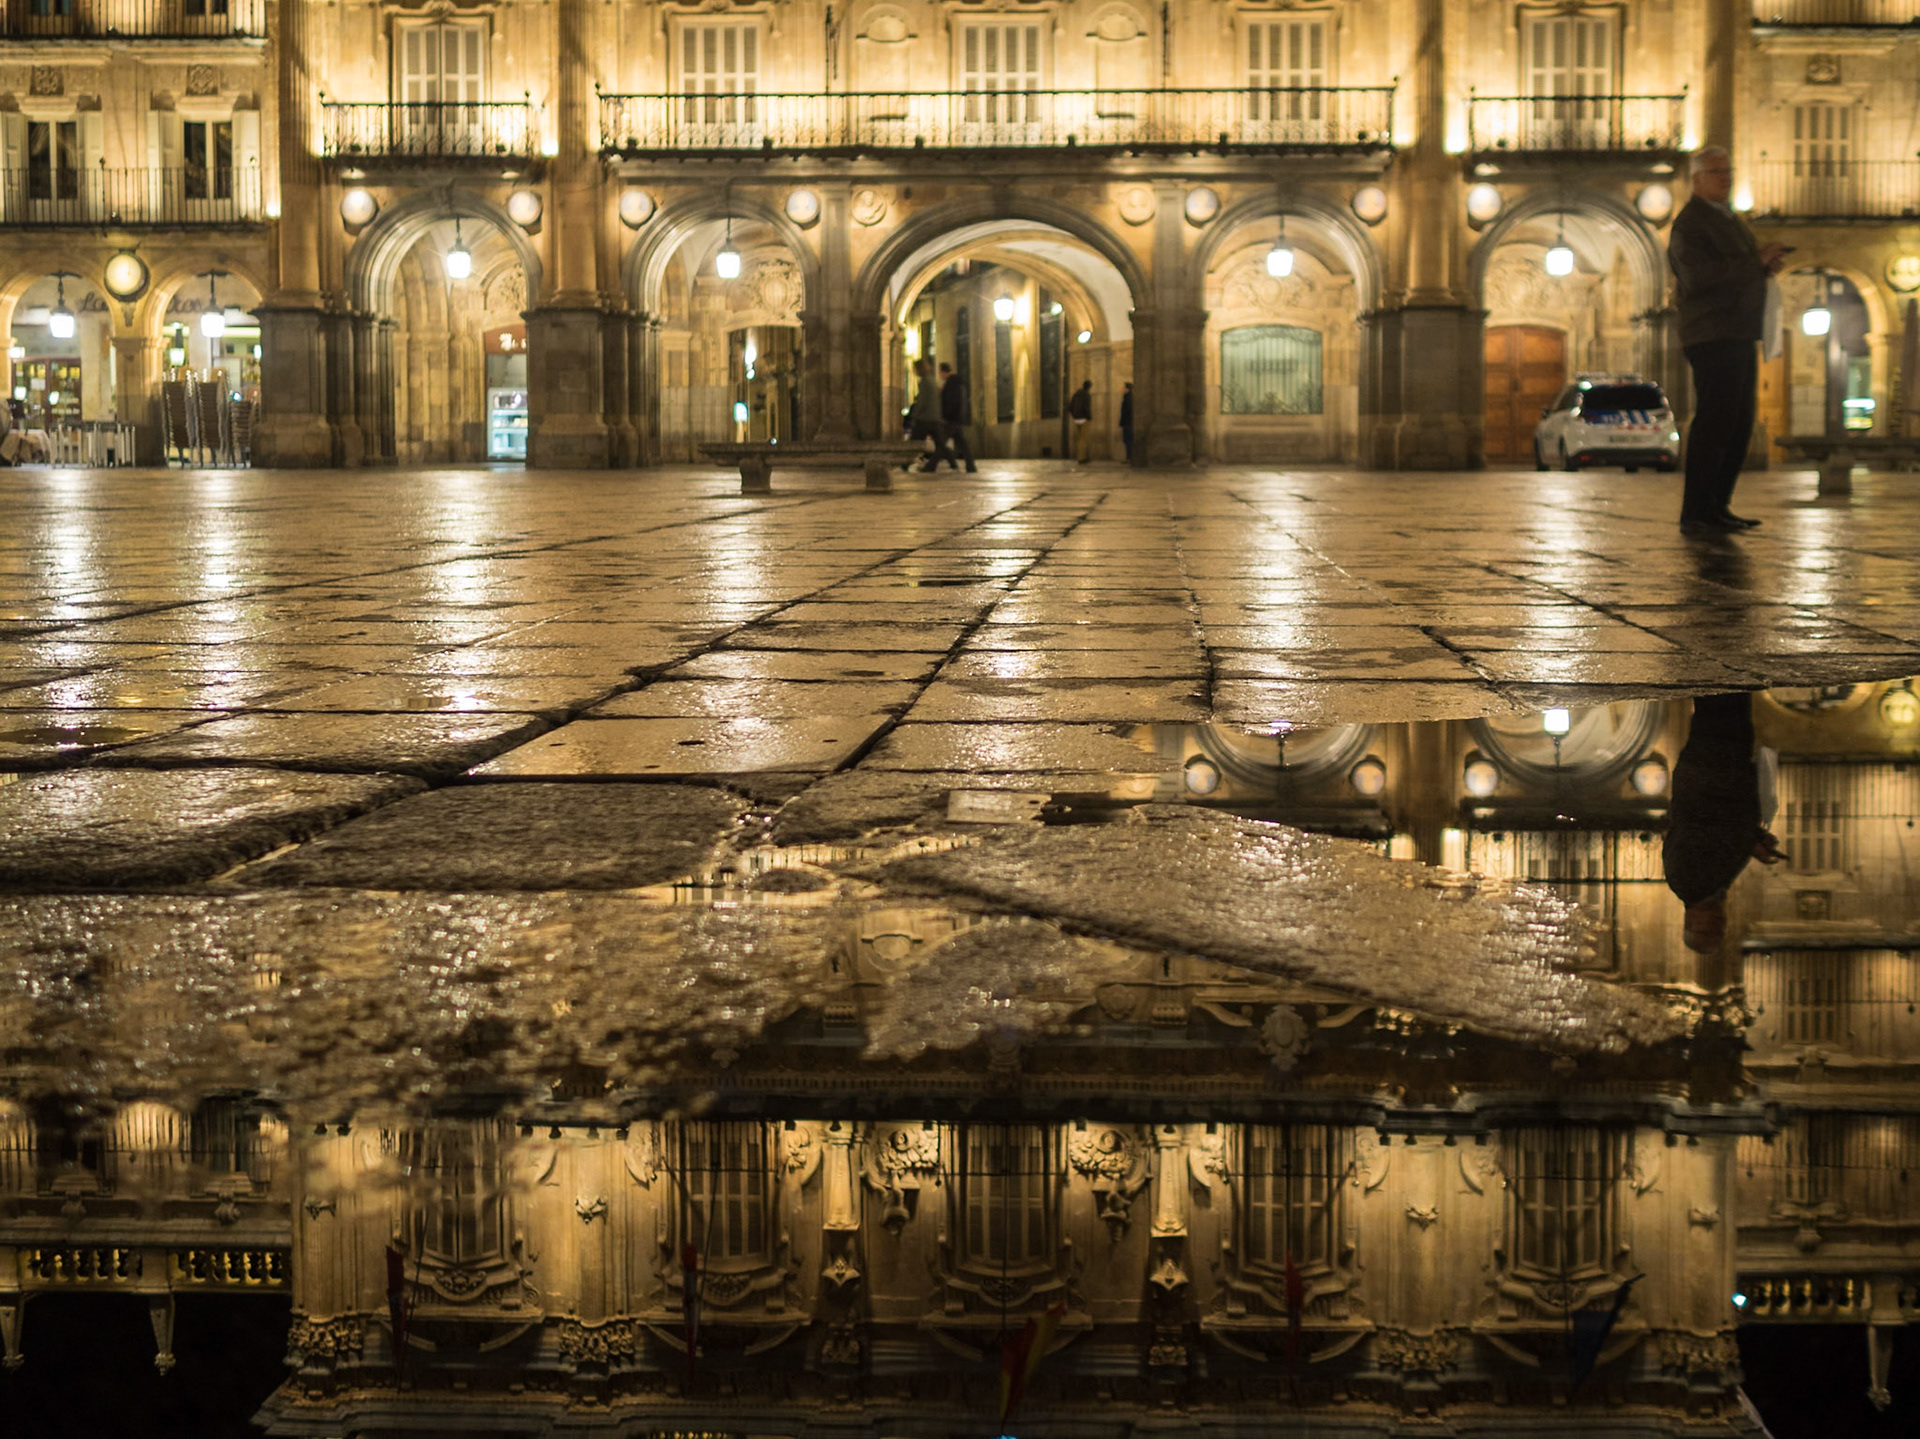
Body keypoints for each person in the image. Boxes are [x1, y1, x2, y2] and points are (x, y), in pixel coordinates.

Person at [1667, 147, 1791, 536]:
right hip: (1711, 332)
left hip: (1737, 330)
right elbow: (1698, 277)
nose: (1726, 178)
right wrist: (1754, 262)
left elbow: (1737, 269)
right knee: (1716, 421)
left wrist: (1762, 266)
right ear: (1697, 179)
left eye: (1728, 171)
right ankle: (1697, 511)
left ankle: (1717, 505)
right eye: (1717, 172)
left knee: (1737, 424)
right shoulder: (1690, 223)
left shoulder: (1731, 220)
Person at [1663, 691, 1788, 953]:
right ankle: (1724, 665)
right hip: (1725, 770)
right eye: (1721, 929)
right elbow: (1724, 833)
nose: (1720, 923)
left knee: (1719, 703)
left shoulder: (1687, 880)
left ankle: (1716, 663)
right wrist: (1753, 838)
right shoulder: (1714, 887)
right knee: (1730, 705)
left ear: (1690, 921)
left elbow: (1703, 826)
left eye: (1709, 929)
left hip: (1711, 771)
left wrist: (1750, 845)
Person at [902, 358, 956, 473]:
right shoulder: (932, 380)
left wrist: (915, 415)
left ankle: (905, 464)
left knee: (913, 443)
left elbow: (922, 401)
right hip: (934, 417)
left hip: (925, 419)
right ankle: (953, 463)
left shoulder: (925, 382)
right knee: (940, 443)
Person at [938, 362, 977, 472]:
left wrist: (945, 415)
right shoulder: (957, 383)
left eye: (940, 372)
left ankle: (930, 466)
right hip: (956, 418)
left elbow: (951, 402)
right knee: (962, 444)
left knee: (941, 443)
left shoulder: (951, 383)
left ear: (944, 372)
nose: (940, 375)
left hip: (951, 419)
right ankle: (971, 466)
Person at [1067, 379, 1093, 463]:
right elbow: (1087, 407)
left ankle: (1081, 456)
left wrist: (1074, 415)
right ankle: (1081, 458)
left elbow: (1070, 406)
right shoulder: (1087, 395)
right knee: (1083, 440)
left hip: (1076, 419)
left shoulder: (1076, 394)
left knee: (1079, 439)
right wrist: (1089, 417)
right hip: (1083, 419)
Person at [1118, 381, 1134, 465]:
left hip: (1127, 422)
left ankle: (1129, 457)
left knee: (1128, 441)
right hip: (1128, 422)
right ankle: (1129, 457)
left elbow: (1127, 411)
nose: (1123, 389)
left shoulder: (1128, 398)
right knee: (1127, 441)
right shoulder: (1128, 397)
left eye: (1124, 388)